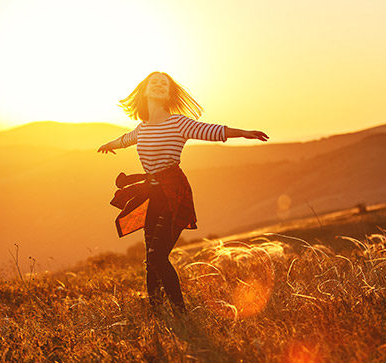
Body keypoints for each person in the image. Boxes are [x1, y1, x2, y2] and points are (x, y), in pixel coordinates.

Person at [98, 71, 268, 315]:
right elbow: (126, 139)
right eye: (153, 82)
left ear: (169, 93)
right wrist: (108, 146)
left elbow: (211, 130)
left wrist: (243, 132)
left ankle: (181, 314)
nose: (158, 85)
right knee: (151, 258)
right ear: (144, 90)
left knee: (157, 258)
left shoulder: (178, 123)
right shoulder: (142, 128)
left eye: (163, 84)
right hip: (152, 195)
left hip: (173, 193)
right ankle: (157, 312)